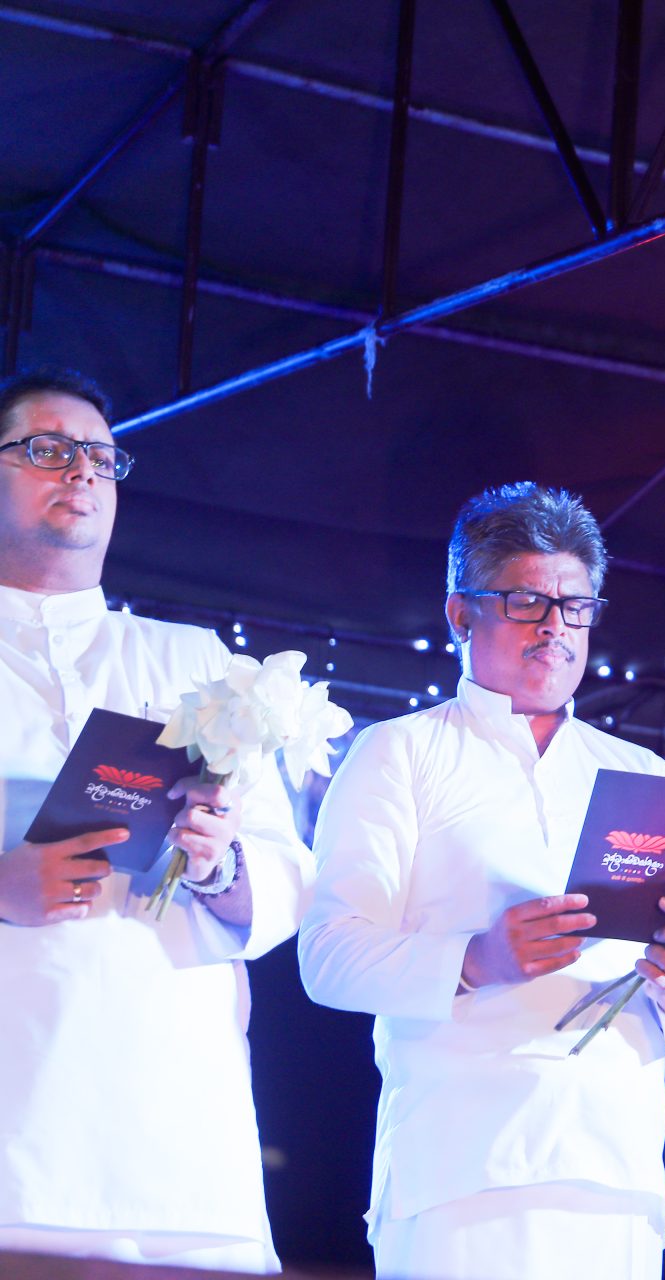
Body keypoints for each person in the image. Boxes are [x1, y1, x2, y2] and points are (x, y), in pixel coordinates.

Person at [298, 483, 665, 1280]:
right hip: (461, 1167)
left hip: (615, 1169)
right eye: (528, 601)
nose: (556, 627)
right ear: (462, 613)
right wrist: (476, 958)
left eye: (576, 606)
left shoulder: (639, 771)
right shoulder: (401, 750)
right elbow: (326, 956)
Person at [0, 368, 312, 1271]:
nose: (83, 472)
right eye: (49, 450)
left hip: (175, 1134)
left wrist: (222, 864)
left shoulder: (195, 663)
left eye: (101, 456)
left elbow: (290, 875)